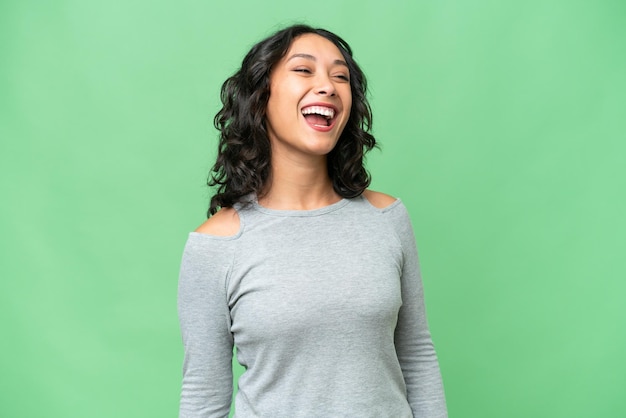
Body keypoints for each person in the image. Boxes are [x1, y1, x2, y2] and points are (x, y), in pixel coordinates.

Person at [178, 24, 448, 418]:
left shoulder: (387, 218)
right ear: (260, 96)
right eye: (304, 70)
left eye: (340, 76)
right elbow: (203, 397)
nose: (328, 86)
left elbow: (417, 355)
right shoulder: (215, 246)